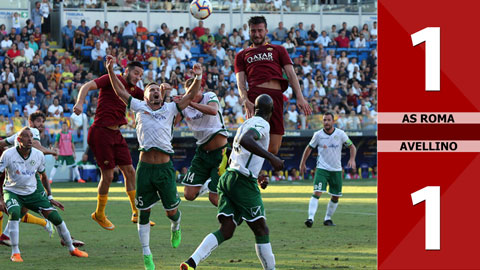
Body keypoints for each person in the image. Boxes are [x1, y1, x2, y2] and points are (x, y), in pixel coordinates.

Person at [107, 55, 202, 270]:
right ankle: (147, 254)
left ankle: (176, 225)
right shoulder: (139, 106)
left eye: (157, 89)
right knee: (144, 212)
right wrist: (111, 71)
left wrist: (198, 77)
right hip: (145, 169)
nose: (155, 91)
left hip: (165, 169)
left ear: (162, 93)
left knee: (171, 212)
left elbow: (190, 96)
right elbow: (120, 92)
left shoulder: (170, 108)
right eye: (150, 90)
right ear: (145, 95)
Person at [180, 94, 284, 270]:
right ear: (272, 112)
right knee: (261, 230)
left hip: (230, 177)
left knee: (226, 230)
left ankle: (191, 262)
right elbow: (247, 140)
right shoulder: (262, 124)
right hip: (242, 182)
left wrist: (258, 174)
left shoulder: (245, 123)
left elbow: (238, 151)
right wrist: (272, 158)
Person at [73, 60, 152, 230]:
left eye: (140, 74)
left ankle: (136, 212)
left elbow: (149, 98)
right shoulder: (112, 78)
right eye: (135, 73)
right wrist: (80, 103)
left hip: (116, 133)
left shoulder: (133, 89)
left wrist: (164, 92)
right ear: (126, 71)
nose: (138, 77)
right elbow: (86, 86)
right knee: (108, 176)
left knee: (130, 171)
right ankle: (99, 214)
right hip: (101, 132)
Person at [0, 127, 88, 262]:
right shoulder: (8, 154)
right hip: (12, 192)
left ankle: (72, 249)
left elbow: (44, 176)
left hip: (32, 193)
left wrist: (50, 197)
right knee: (15, 213)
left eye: (31, 136)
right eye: (26, 136)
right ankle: (15, 252)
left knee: (56, 218)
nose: (30, 139)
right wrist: (1, 198)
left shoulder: (38, 155)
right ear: (18, 139)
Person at [235, 16, 312, 154]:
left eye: (260, 30)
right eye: (253, 31)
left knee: (274, 149)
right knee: (252, 142)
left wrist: (299, 96)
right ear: (249, 32)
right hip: (255, 99)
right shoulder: (242, 55)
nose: (257, 34)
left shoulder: (278, 49)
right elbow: (240, 82)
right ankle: (252, 174)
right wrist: (245, 100)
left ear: (266, 31)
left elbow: (291, 73)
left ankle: (258, 170)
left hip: (276, 98)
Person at [175, 78, 229, 206]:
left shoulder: (210, 96)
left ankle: (234, 213)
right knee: (188, 195)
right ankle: (206, 184)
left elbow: (213, 110)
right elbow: (172, 123)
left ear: (202, 90)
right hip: (202, 153)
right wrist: (174, 106)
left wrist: (189, 103)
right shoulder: (184, 106)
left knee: (215, 199)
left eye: (195, 92)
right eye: (189, 93)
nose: (192, 95)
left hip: (220, 153)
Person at [299, 111, 357, 227]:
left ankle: (328, 219)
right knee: (317, 192)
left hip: (336, 170)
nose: (326, 122)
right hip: (322, 168)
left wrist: (352, 159)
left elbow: (352, 147)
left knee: (336, 196)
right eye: (324, 120)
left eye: (328, 120)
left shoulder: (341, 134)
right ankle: (310, 218)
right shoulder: (318, 135)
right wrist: (302, 163)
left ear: (333, 121)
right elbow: (309, 148)